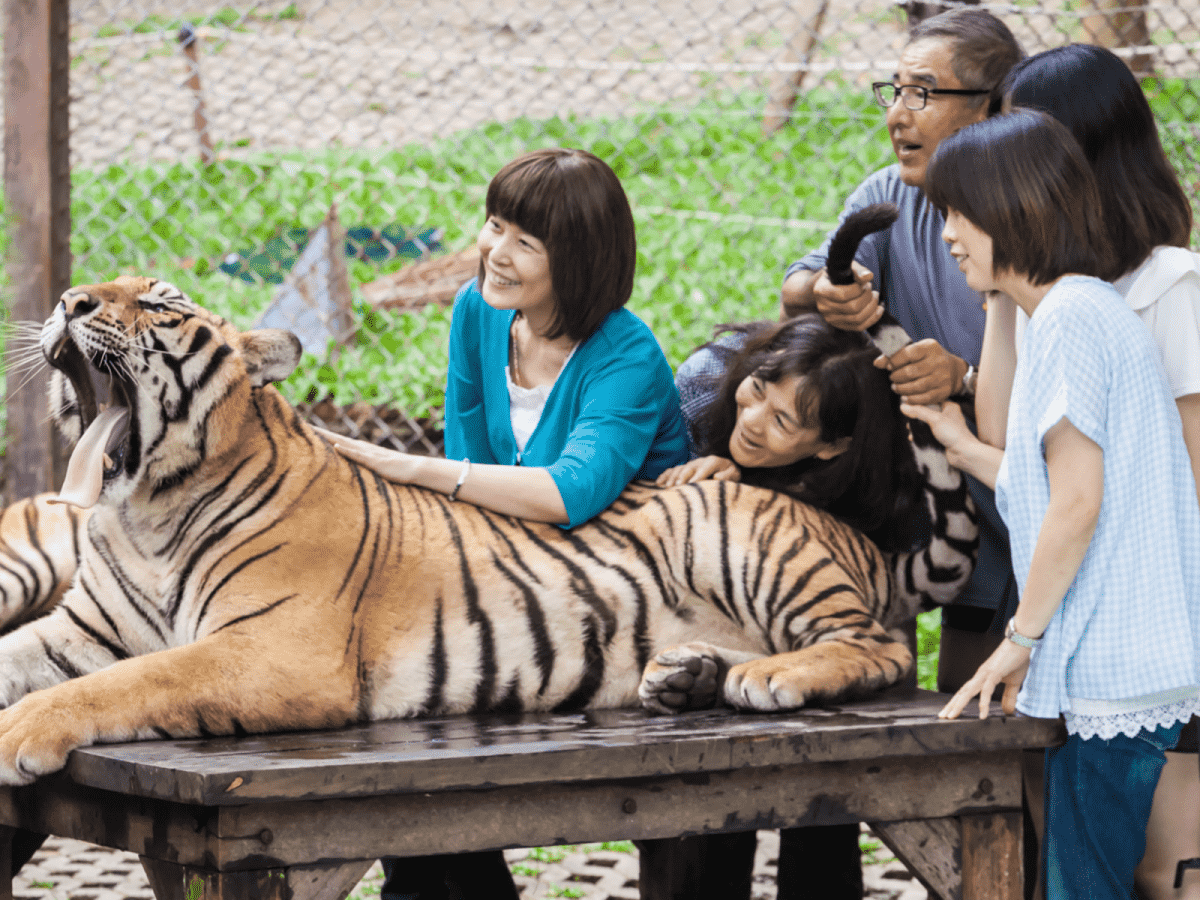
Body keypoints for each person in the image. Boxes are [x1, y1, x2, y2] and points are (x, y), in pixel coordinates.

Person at [322, 147, 689, 900]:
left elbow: (570, 492)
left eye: (526, 241)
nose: (496, 251)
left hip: (631, 596)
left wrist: (407, 469)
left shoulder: (627, 353)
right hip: (526, 575)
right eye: (495, 225)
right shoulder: (479, 313)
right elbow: (470, 460)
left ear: (579, 259)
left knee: (428, 695)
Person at [908, 44, 1200, 900]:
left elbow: (1081, 501)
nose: (946, 234)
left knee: (1106, 881)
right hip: (1107, 657)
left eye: (958, 213)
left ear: (1013, 202)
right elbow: (1051, 474)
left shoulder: (1083, 312)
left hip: (1116, 657)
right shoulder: (1072, 305)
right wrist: (962, 443)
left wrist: (1020, 641)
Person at [749, 8, 1024, 899]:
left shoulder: (1035, 207)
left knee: (1027, 741)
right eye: (893, 90)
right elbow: (798, 281)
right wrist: (823, 290)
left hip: (1041, 498)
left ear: (991, 107)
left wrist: (966, 374)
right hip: (938, 516)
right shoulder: (886, 193)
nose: (899, 113)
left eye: (924, 93)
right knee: (959, 734)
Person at [639, 313, 977, 900]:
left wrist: (762, 498)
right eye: (757, 390)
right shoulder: (702, 385)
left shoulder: (875, 477)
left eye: (781, 421)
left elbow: (888, 586)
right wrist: (707, 490)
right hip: (701, 630)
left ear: (832, 446)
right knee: (697, 818)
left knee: (824, 806)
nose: (751, 420)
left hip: (818, 631)